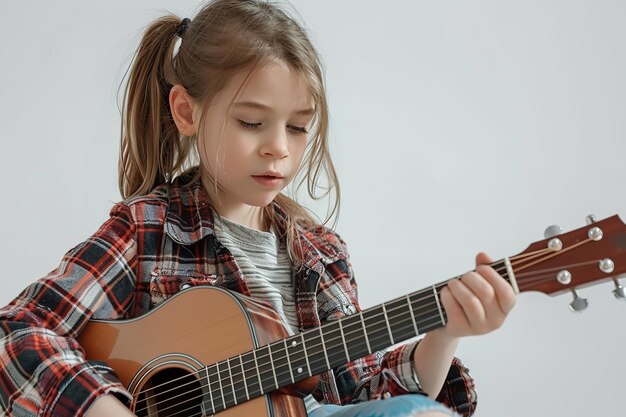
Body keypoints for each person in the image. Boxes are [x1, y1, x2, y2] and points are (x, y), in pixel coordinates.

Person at [0, 1, 516, 416]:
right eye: (252, 123)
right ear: (187, 111)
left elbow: (365, 392)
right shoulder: (147, 229)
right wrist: (103, 407)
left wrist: (446, 330)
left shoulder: (322, 255)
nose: (279, 148)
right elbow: (20, 327)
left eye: (297, 126)